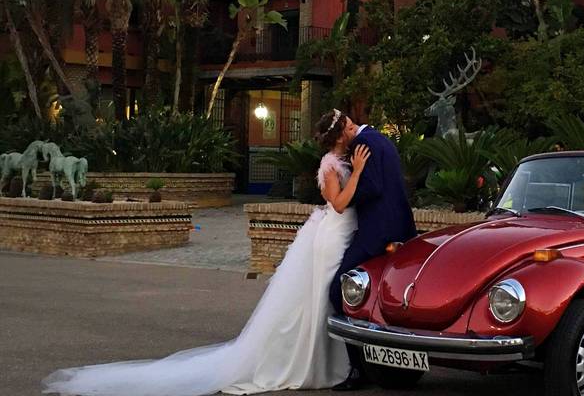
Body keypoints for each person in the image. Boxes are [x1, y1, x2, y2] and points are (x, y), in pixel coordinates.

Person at [41, 109, 370, 396]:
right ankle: (312, 362)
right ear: (340, 135)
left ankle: (336, 361)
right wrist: (356, 172)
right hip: (332, 235)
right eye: (351, 124)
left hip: (340, 234)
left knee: (323, 300)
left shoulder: (340, 158)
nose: (356, 127)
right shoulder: (330, 166)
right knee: (320, 300)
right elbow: (339, 204)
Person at [329, 113, 418, 391]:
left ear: (345, 131)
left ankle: (358, 368)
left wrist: (346, 190)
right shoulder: (383, 140)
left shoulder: (362, 145)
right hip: (401, 227)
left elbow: (372, 187)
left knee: (339, 289)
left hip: (376, 232)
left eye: (339, 137)